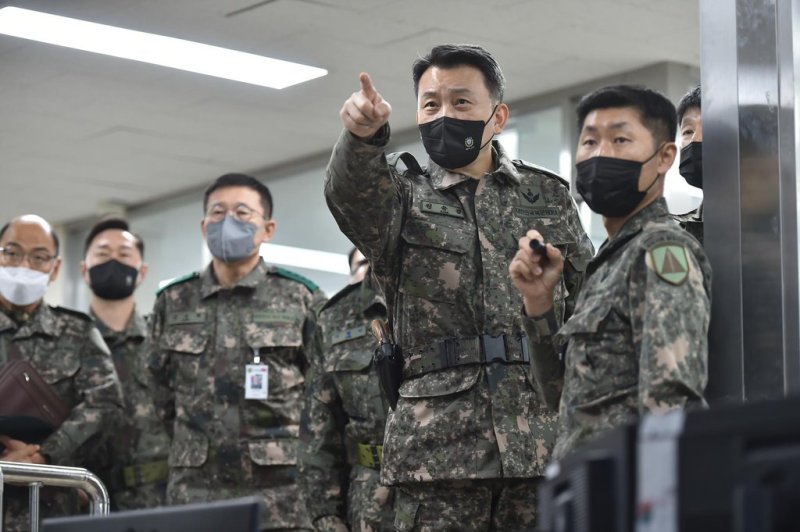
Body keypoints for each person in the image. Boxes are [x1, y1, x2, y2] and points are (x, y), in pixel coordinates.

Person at [325, 44, 594, 530]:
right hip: (438, 453)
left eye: (462, 102)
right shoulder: (400, 194)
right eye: (431, 104)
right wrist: (362, 138)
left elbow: (584, 305)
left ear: (498, 115)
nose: (444, 114)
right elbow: (349, 194)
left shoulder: (548, 196)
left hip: (539, 441)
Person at [510, 85, 712, 461]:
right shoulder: (609, 259)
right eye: (589, 142)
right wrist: (539, 303)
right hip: (586, 484)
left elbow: (670, 401)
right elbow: (559, 394)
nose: (600, 155)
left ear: (665, 156)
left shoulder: (661, 250)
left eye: (620, 140)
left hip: (629, 491)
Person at [149, 173, 326, 531]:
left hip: (281, 492)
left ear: (268, 228)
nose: (228, 221)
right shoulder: (173, 300)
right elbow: (158, 393)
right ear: (203, 226)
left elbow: (323, 392)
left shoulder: (300, 297)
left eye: (243, 213)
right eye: (218, 212)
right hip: (195, 490)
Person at [0, 215, 123, 530]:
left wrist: (44, 457)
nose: (24, 264)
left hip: (52, 508)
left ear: (54, 269)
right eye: (11, 252)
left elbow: (106, 404)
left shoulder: (77, 332)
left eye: (39, 257)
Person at [299, 248, 392, 532]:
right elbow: (319, 428)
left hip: (448, 493)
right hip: (371, 498)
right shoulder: (334, 319)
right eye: (361, 263)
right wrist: (326, 516)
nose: (368, 268)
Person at [81, 217, 170, 510]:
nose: (114, 262)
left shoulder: (164, 340)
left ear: (142, 272)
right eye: (103, 254)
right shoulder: (66, 342)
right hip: (82, 502)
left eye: (124, 255)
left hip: (158, 501)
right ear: (84, 270)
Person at [673, 85, 703, 243]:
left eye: (710, 128)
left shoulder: (781, 229)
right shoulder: (673, 233)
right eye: (688, 131)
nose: (695, 139)